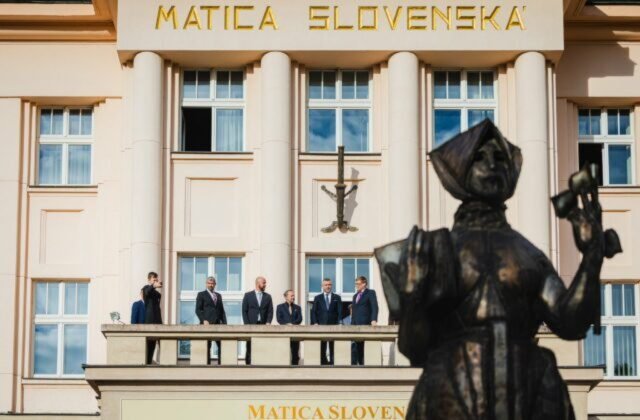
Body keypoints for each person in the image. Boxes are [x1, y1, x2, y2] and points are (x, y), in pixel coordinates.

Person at [374, 119, 619, 418]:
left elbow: (570, 323)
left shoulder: (528, 254)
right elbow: (413, 349)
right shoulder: (433, 249)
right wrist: (413, 299)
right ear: (460, 169)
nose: (492, 165)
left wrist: (592, 257)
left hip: (530, 388)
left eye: (500, 157)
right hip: (451, 388)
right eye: (480, 157)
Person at [241, 276, 273, 365]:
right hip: (251, 325)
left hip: (263, 325)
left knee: (262, 345)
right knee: (249, 346)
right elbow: (244, 311)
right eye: (264, 283)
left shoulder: (268, 297)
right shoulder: (248, 295)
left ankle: (261, 364)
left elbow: (270, 311)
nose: (265, 284)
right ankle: (248, 365)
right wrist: (247, 324)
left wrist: (268, 322)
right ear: (258, 283)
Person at [195, 276, 227, 364]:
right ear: (206, 284)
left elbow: (222, 311)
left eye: (212, 283)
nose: (211, 285)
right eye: (209, 283)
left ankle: (221, 364)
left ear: (215, 284)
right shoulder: (201, 294)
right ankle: (207, 364)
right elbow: (198, 310)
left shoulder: (218, 295)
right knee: (207, 345)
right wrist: (203, 320)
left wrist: (225, 324)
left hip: (218, 324)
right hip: (206, 324)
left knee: (222, 345)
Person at [310, 278, 342, 365]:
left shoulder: (337, 297)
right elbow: (314, 312)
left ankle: (333, 363)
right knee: (322, 345)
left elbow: (339, 311)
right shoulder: (317, 298)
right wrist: (315, 323)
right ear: (322, 286)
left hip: (333, 325)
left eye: (329, 285)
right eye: (326, 285)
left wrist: (340, 322)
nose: (328, 286)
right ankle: (323, 363)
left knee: (333, 345)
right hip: (321, 325)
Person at [351, 275, 378, 365]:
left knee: (365, 349)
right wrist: (352, 325)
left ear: (364, 284)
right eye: (356, 284)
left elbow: (374, 307)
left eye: (358, 284)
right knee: (357, 349)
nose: (356, 286)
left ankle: (365, 366)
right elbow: (354, 312)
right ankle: (359, 365)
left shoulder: (370, 293)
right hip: (355, 326)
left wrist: (373, 319)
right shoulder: (355, 296)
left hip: (366, 325)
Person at [276, 289, 303, 365]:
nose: (293, 297)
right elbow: (279, 319)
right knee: (284, 353)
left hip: (295, 334)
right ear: (286, 297)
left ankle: (295, 368)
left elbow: (300, 319)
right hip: (284, 333)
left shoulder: (297, 307)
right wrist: (287, 324)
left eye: (293, 296)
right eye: (291, 296)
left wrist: (292, 324)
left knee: (295, 354)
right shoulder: (280, 307)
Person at [142, 271, 163, 364]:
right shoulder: (146, 288)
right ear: (149, 280)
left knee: (156, 344)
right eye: (154, 280)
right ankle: (147, 363)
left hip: (157, 320)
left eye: (156, 280)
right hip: (149, 320)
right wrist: (153, 286)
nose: (156, 281)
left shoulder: (156, 293)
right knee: (149, 345)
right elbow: (147, 292)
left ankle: (150, 362)